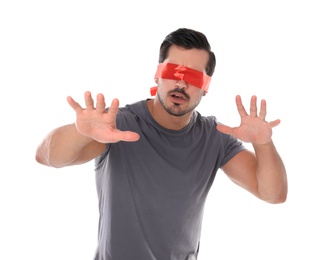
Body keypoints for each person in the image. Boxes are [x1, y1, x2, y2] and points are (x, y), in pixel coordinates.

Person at [35, 28, 287, 260]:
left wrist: (264, 144)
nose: (181, 83)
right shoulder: (118, 126)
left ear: (206, 88)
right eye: (173, 72)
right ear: (157, 75)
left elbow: (273, 194)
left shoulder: (215, 136)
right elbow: (46, 156)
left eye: (193, 77)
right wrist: (81, 132)